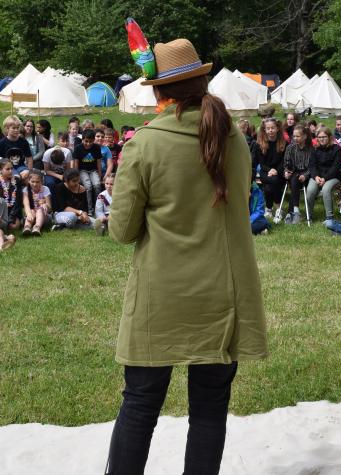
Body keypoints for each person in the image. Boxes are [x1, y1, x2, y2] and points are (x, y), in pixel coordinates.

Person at [105, 38, 266, 474]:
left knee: (140, 405)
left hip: (162, 293)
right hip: (223, 291)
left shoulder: (145, 144)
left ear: (158, 91)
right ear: (202, 81)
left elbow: (121, 231)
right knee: (210, 410)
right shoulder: (234, 137)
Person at [305, 126, 341, 220]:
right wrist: (316, 176)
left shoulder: (336, 149)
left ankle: (329, 217)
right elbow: (312, 166)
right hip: (317, 176)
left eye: (324, 137)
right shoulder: (314, 149)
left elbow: (335, 167)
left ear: (329, 137)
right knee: (310, 190)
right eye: (319, 137)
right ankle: (309, 215)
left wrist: (325, 178)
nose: (322, 139)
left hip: (333, 177)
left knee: (326, 189)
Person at [252, 117, 286, 218]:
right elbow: (261, 163)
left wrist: (276, 171)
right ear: (265, 130)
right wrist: (270, 170)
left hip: (280, 171)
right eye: (268, 128)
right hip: (265, 171)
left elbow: (284, 161)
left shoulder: (284, 143)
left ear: (277, 128)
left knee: (269, 186)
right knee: (273, 181)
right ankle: (278, 207)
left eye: (273, 128)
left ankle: (269, 208)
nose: (270, 130)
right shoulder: (259, 144)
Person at [282, 124, 312, 224]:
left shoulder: (310, 149)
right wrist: (286, 172)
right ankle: (295, 211)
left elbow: (312, 167)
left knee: (295, 181)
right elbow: (286, 163)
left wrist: (305, 175)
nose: (295, 138)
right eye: (294, 136)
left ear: (304, 136)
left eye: (298, 136)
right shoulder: (290, 148)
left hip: (307, 174)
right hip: (294, 173)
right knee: (294, 179)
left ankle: (290, 213)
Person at [73, 129, 102, 215]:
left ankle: (98, 207)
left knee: (97, 185)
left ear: (94, 140)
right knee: (88, 187)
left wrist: (100, 173)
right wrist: (76, 175)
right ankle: (89, 209)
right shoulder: (78, 148)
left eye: (91, 141)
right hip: (82, 171)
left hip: (93, 170)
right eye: (86, 141)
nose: (88, 144)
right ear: (82, 139)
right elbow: (76, 163)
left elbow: (98, 161)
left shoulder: (97, 147)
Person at [21, 169, 51, 235]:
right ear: (28, 181)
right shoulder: (26, 190)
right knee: (31, 211)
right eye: (32, 181)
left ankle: (37, 227)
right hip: (30, 216)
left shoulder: (45, 189)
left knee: (39, 210)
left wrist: (45, 205)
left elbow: (49, 208)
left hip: (44, 217)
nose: (35, 184)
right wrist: (29, 214)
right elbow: (26, 205)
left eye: (37, 182)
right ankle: (27, 227)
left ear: (41, 182)